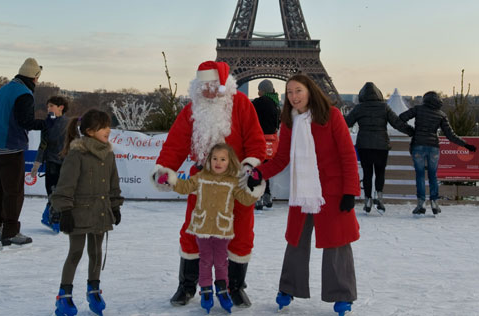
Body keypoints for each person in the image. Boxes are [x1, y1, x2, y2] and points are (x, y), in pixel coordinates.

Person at [151, 60, 266, 307]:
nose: (208, 91)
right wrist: (165, 169)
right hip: (202, 181)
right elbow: (176, 143)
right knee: (193, 230)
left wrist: (250, 168)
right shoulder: (192, 110)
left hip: (236, 182)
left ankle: (235, 286)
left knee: (242, 232)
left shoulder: (242, 105)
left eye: (213, 85)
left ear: (224, 86)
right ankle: (187, 285)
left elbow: (255, 140)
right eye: (203, 86)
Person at [248, 74, 361, 316]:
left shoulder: (332, 116)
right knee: (296, 240)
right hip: (302, 191)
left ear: (310, 91)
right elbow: (281, 158)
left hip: (331, 190)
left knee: (337, 243)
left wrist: (350, 191)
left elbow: (347, 156)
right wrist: (259, 172)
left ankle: (342, 295)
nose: (294, 96)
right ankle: (288, 288)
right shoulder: (289, 121)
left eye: (298, 91)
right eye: (289, 93)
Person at [157, 143, 265, 313]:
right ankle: (206, 289)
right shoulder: (201, 177)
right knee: (206, 260)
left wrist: (255, 185)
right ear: (209, 161)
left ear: (229, 162)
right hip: (203, 228)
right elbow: (185, 187)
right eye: (215, 158)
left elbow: (245, 199)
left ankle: (222, 288)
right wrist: (170, 180)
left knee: (222, 262)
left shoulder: (232, 182)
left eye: (223, 159)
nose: (218, 162)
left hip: (222, 230)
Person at [50, 109, 124, 316]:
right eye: (103, 126)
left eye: (109, 125)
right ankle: (64, 295)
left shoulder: (108, 154)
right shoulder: (77, 154)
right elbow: (65, 185)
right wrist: (64, 211)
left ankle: (94, 289)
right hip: (78, 213)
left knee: (96, 252)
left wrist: (115, 206)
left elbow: (113, 183)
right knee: (75, 252)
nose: (108, 130)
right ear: (90, 131)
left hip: (101, 211)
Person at [0, 57, 53, 246]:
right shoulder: (24, 94)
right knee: (14, 191)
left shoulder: (4, 89)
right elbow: (25, 122)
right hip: (10, 147)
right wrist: (47, 124)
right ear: (34, 77)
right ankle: (10, 231)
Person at [399, 91, 476, 215]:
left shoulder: (418, 109)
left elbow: (401, 118)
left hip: (418, 145)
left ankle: (421, 203)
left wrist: (412, 131)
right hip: (433, 147)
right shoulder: (441, 114)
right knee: (433, 175)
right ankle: (434, 203)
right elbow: (450, 135)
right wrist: (466, 145)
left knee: (419, 175)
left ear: (425, 99)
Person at [345, 82, 414, 214]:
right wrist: (412, 131)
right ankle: (379, 197)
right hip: (381, 145)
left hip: (364, 145)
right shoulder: (384, 107)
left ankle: (367, 200)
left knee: (367, 173)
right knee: (380, 172)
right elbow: (397, 123)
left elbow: (346, 123)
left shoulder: (359, 108)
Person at [30, 96, 70, 232]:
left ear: (61, 107)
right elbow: (43, 144)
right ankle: (50, 218)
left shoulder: (69, 123)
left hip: (66, 163)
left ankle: (55, 219)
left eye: (51, 106)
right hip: (52, 163)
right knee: (52, 191)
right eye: (47, 106)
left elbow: (75, 144)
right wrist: (36, 163)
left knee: (60, 193)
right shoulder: (48, 123)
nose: (48, 109)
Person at [252, 79, 280, 210]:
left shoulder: (259, 102)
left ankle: (258, 197)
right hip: (272, 142)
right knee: (266, 170)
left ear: (262, 90)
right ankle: (267, 196)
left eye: (259, 90)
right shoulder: (276, 103)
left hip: (259, 140)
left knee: (257, 169)